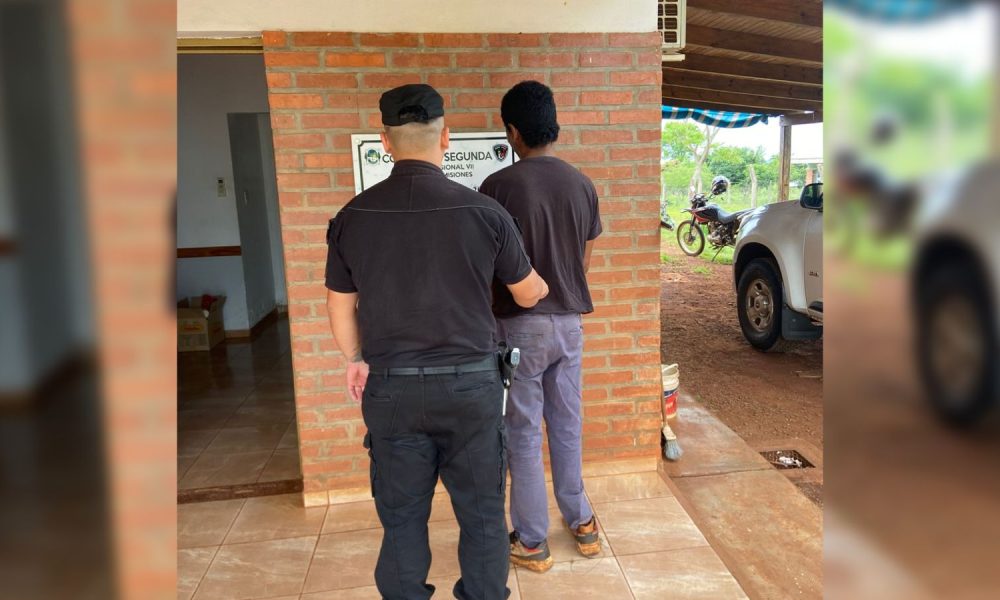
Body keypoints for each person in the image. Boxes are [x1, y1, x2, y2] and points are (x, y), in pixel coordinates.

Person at [324, 83, 549, 600]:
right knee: (483, 514)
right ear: (446, 138)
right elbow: (528, 292)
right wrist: (540, 283)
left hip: (392, 390)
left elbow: (339, 305)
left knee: (401, 518)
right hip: (471, 389)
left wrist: (355, 358)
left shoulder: (353, 217)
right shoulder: (485, 213)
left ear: (385, 141)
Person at [479, 81, 603, 573]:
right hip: (570, 326)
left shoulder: (497, 187)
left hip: (520, 328)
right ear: (554, 126)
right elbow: (583, 262)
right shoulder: (582, 184)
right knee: (568, 424)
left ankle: (532, 541)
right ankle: (583, 523)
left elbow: (489, 267)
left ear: (513, 131)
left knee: (524, 431)